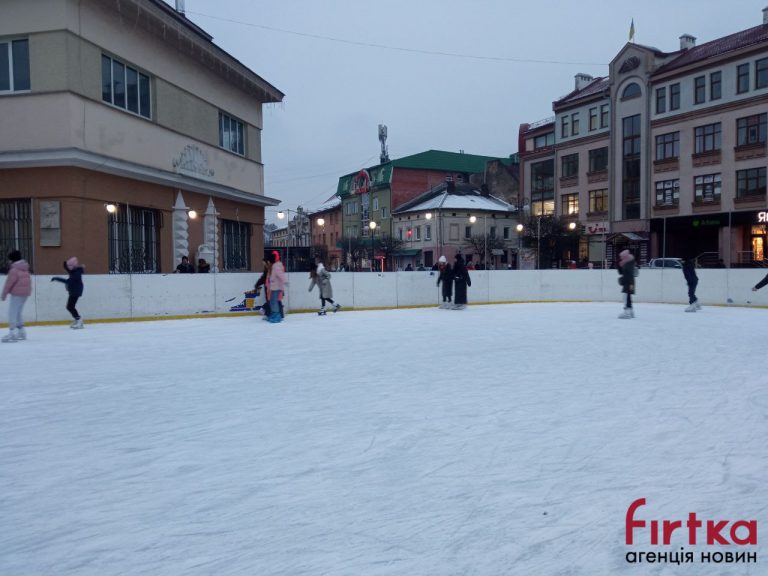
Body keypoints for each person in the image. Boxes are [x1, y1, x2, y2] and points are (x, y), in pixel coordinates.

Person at [1, 250, 32, 342]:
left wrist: (3, 295)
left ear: (12, 260)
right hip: (25, 294)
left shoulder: (14, 270)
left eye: (9, 259)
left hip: (17, 294)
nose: (8, 261)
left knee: (12, 313)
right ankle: (22, 332)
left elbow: (8, 283)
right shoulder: (24, 268)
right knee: (18, 312)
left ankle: (12, 333)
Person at [51, 256, 85, 328]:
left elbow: (68, 281)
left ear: (73, 266)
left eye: (69, 266)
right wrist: (65, 264)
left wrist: (57, 278)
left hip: (76, 291)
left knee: (70, 306)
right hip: (74, 290)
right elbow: (68, 269)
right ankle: (77, 319)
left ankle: (79, 320)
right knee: (70, 306)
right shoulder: (74, 270)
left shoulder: (76, 273)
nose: (68, 267)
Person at [266, 251, 287, 323]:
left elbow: (280, 274)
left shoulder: (276, 266)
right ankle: (274, 314)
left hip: (277, 287)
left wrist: (285, 281)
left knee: (274, 302)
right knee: (272, 301)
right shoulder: (275, 265)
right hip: (274, 286)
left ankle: (277, 316)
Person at [617, 250, 636, 319]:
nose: (621, 258)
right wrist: (619, 266)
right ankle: (630, 312)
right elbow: (621, 273)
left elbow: (630, 274)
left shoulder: (629, 263)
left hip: (629, 282)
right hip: (626, 282)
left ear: (625, 256)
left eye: (622, 256)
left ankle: (627, 312)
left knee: (626, 297)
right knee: (627, 297)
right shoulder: (625, 263)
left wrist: (631, 284)